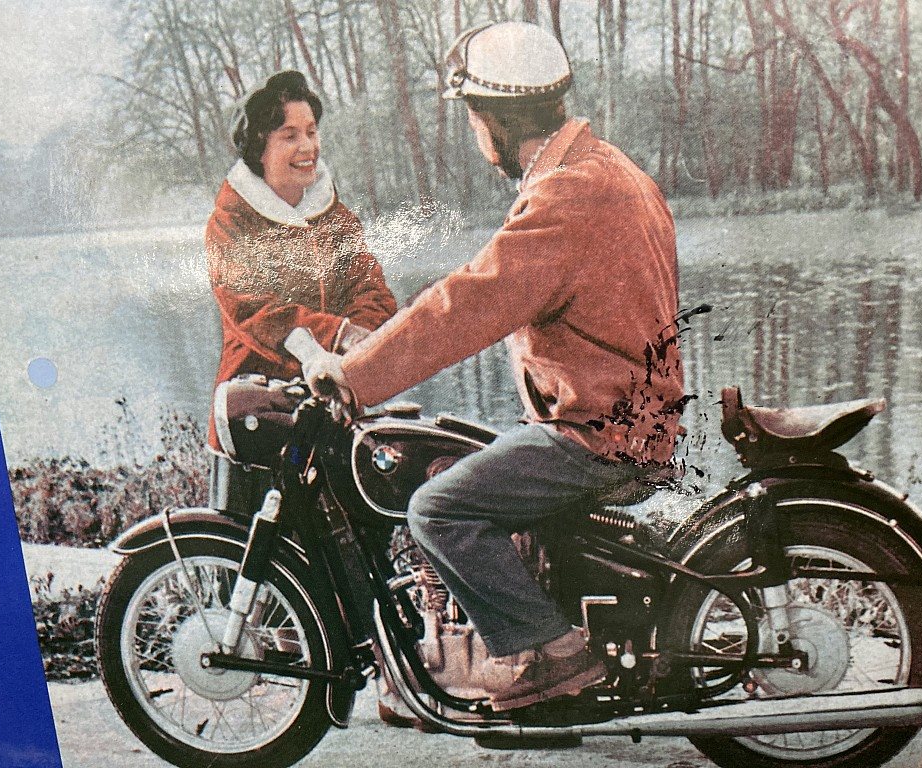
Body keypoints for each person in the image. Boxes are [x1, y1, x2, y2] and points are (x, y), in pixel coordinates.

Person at [289, 21, 684, 712]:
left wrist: (355, 374)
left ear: (495, 119)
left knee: (437, 508)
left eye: (473, 119)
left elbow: (468, 304)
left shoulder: (567, 195)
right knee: (465, 460)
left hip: (599, 430)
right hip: (631, 414)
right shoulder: (611, 169)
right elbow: (488, 297)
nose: (475, 135)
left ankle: (551, 656)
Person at [205, 70, 397, 458]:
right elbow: (254, 311)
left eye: (311, 132)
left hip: (336, 402)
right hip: (257, 411)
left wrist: (354, 347)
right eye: (289, 136)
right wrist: (335, 336)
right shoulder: (230, 223)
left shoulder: (336, 218)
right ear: (259, 148)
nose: (308, 146)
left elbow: (371, 290)